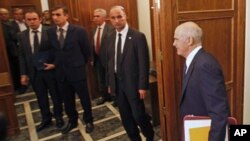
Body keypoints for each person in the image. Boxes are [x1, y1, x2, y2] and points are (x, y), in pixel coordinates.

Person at [173, 21, 230, 141]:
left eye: (176, 39)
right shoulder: (192, 61)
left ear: (189, 40)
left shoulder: (205, 65)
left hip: (204, 133)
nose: (174, 44)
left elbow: (219, 111)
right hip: (194, 130)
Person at [107, 6, 154, 141]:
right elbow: (109, 63)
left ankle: (149, 136)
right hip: (117, 83)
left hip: (133, 84)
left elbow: (143, 63)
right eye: (113, 18)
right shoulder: (110, 37)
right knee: (125, 116)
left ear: (125, 16)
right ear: (110, 19)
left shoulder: (137, 36)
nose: (117, 20)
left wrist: (143, 85)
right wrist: (110, 83)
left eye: (119, 16)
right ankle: (134, 138)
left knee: (139, 115)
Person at [47, 6, 94, 134]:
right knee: (67, 100)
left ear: (66, 16)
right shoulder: (50, 32)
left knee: (84, 98)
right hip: (61, 73)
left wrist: (78, 64)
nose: (55, 17)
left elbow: (86, 51)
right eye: (53, 15)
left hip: (77, 72)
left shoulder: (79, 31)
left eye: (58, 14)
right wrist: (55, 64)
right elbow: (54, 52)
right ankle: (72, 121)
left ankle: (89, 120)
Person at [18, 10, 64, 132]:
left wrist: (54, 64)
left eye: (34, 19)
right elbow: (22, 56)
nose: (32, 22)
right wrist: (23, 73)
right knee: (41, 97)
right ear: (25, 21)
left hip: (50, 70)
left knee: (55, 95)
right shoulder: (22, 35)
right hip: (34, 73)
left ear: (40, 19)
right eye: (29, 19)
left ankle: (59, 117)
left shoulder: (50, 31)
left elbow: (58, 51)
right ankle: (46, 118)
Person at [91, 8, 114, 105]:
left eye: (97, 16)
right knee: (101, 79)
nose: (95, 18)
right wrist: (92, 58)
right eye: (94, 16)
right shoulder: (93, 30)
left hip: (108, 59)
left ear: (104, 17)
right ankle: (104, 96)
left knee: (111, 78)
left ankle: (114, 97)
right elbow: (92, 45)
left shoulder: (111, 29)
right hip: (97, 59)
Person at [0, 8, 23, 94]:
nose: (3, 15)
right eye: (1, 14)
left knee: (17, 69)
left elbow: (16, 36)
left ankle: (20, 86)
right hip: (4, 53)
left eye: (5, 14)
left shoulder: (13, 24)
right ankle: (15, 87)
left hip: (15, 51)